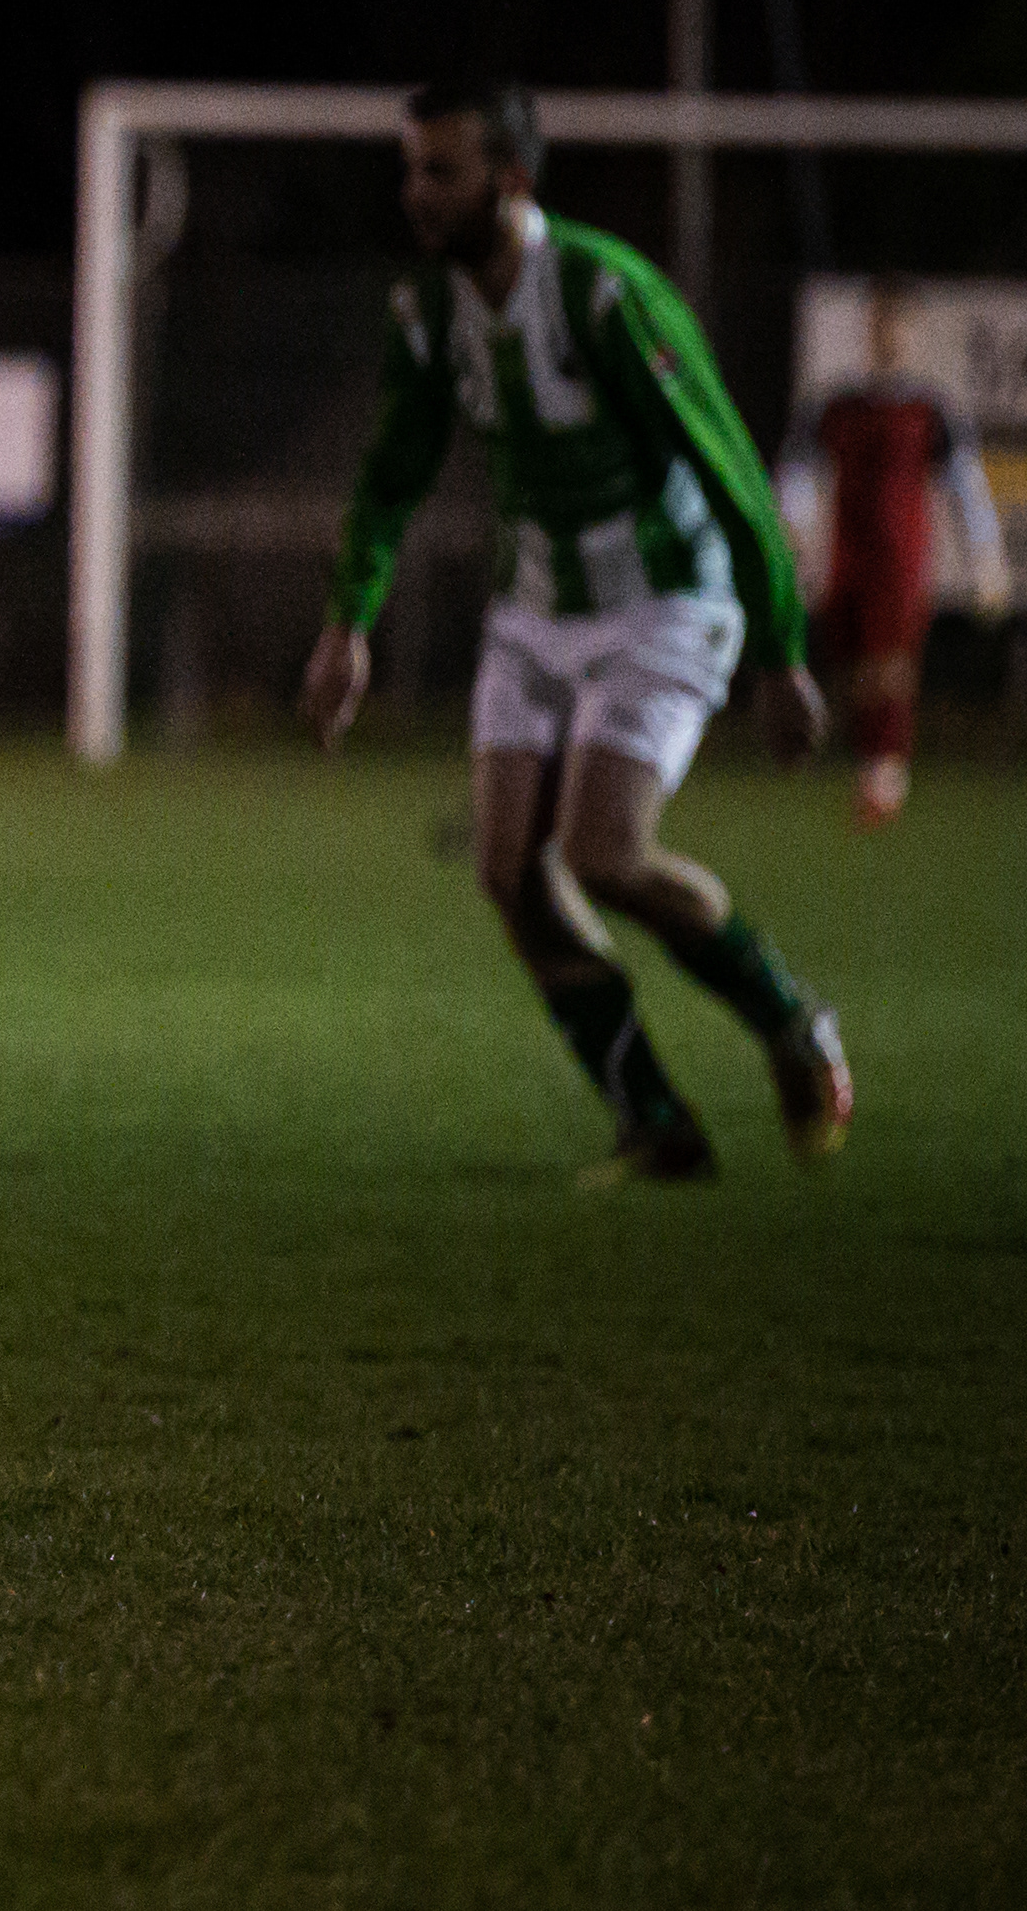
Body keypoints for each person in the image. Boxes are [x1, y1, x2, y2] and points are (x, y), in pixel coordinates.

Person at [301, 80, 845, 1183]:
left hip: (665, 600)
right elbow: (394, 470)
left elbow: (727, 464)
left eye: (441, 170)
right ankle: (654, 1119)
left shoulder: (605, 293)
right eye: (409, 168)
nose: (416, 192)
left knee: (605, 855)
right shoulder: (430, 311)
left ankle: (791, 1021)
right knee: (510, 871)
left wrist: (782, 653)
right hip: (536, 611)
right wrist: (347, 621)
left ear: (511, 180)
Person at [773, 280, 1014, 827]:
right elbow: (801, 472)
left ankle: (887, 769)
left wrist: (985, 556)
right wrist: (791, 528)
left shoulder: (932, 408)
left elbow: (965, 484)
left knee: (892, 662)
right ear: (870, 330)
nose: (890, 336)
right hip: (847, 555)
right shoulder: (837, 404)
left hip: (903, 558)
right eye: (881, 325)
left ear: (914, 333)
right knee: (856, 666)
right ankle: (872, 762)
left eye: (899, 326)